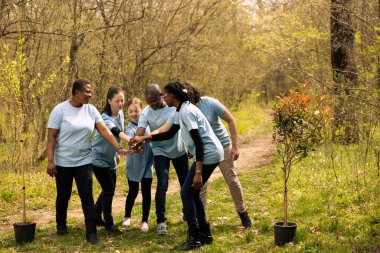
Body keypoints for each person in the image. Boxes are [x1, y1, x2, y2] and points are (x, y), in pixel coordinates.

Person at [130, 81, 224, 250]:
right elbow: (168, 133)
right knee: (192, 194)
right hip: (210, 153)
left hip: (208, 153)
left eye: (164, 95)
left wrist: (198, 172)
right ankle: (205, 234)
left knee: (186, 193)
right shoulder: (180, 110)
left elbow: (199, 142)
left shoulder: (186, 112)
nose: (163, 98)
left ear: (172, 96)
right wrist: (143, 138)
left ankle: (194, 238)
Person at [46, 79, 128, 244]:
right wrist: (50, 161)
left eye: (90, 91)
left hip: (84, 160)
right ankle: (61, 225)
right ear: (76, 92)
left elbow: (104, 130)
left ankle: (91, 233)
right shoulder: (60, 110)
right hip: (63, 161)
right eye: (87, 91)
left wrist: (118, 148)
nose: (90, 94)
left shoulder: (91, 110)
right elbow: (51, 136)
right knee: (63, 195)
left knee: (87, 196)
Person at [184, 82, 252, 228]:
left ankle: (243, 213)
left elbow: (231, 120)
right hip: (202, 151)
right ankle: (201, 221)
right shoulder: (184, 109)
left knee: (231, 180)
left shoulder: (210, 103)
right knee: (199, 186)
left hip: (222, 145)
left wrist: (234, 146)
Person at [134, 84, 189, 235]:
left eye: (154, 100)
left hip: (178, 149)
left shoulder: (173, 107)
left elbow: (166, 129)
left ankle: (188, 213)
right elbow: (140, 129)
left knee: (185, 183)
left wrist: (144, 138)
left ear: (160, 95)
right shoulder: (146, 112)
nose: (151, 104)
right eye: (148, 101)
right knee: (162, 185)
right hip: (160, 151)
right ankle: (161, 221)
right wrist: (136, 139)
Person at [91, 87, 132, 235]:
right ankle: (109, 224)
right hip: (98, 157)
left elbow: (116, 134)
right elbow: (114, 132)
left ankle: (95, 216)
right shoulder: (104, 118)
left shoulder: (120, 114)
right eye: (117, 101)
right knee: (109, 190)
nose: (120, 104)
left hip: (110, 158)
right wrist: (128, 140)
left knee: (109, 188)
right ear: (109, 101)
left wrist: (116, 152)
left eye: (122, 100)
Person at [122, 98, 154, 233]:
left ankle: (144, 221)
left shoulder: (149, 125)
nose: (134, 114)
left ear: (142, 110)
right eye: (131, 111)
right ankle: (127, 216)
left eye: (136, 111)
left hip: (147, 163)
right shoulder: (129, 128)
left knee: (146, 193)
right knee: (133, 191)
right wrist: (134, 144)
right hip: (134, 164)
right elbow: (131, 141)